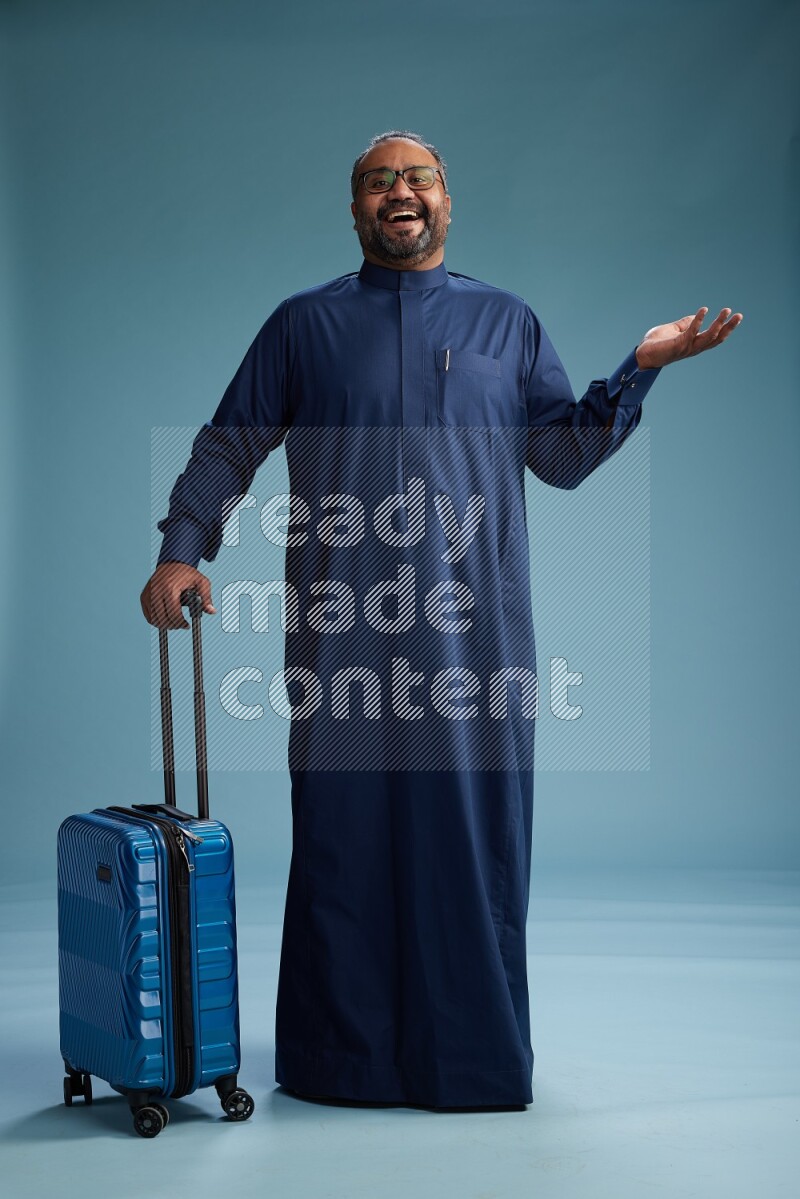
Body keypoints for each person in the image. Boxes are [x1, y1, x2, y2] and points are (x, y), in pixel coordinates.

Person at [140, 130, 742, 1110]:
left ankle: (471, 1059)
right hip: (341, 639)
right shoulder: (303, 327)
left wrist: (639, 368)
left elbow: (560, 453)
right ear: (353, 210)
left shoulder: (506, 324)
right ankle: (342, 1062)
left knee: (471, 845)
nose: (399, 192)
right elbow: (226, 445)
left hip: (474, 647)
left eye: (417, 177)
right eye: (378, 182)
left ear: (447, 202)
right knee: (342, 841)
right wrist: (181, 546)